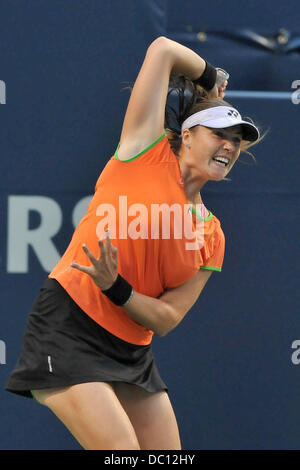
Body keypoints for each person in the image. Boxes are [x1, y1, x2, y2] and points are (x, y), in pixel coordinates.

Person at [6, 36, 260, 450]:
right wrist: (211, 79)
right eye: (219, 134)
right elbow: (162, 49)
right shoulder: (144, 149)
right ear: (189, 136)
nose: (229, 145)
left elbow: (165, 318)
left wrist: (116, 287)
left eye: (236, 139)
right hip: (69, 326)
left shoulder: (212, 235)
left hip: (131, 351)